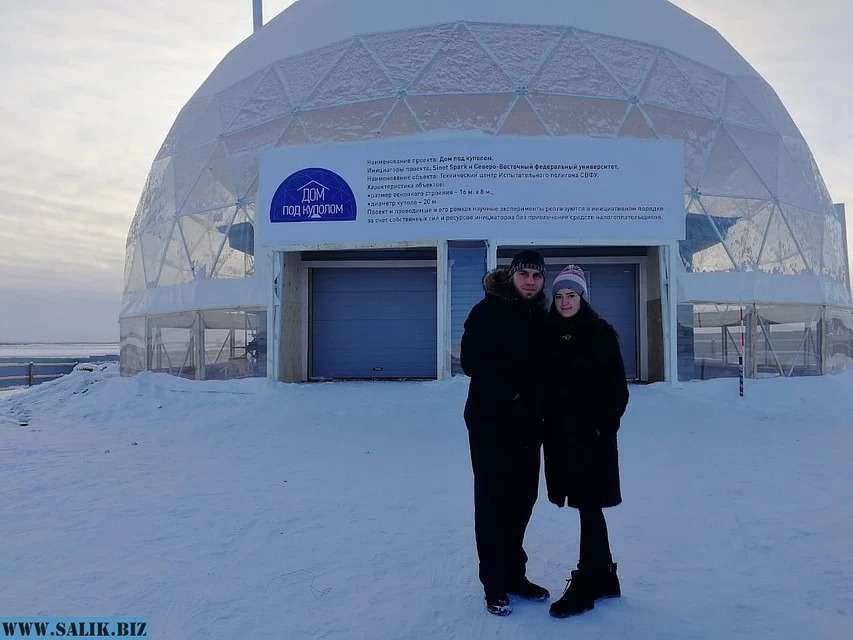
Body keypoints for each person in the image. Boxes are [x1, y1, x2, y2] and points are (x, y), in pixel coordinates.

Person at [460, 250, 550, 616]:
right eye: (524, 273)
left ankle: (515, 574)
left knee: (522, 501)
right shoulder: (487, 311)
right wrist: (512, 394)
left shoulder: (541, 316)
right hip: (491, 423)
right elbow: (471, 362)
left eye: (537, 275)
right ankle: (494, 583)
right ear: (511, 275)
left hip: (529, 426)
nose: (530, 280)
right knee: (493, 503)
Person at [542, 265, 629, 618]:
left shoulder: (600, 334)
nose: (565, 302)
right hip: (560, 437)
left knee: (589, 506)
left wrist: (602, 427)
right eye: (560, 295)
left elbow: (618, 391)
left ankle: (586, 582)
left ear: (583, 298)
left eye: (572, 295)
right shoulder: (547, 333)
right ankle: (605, 576)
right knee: (585, 506)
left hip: (591, 438)